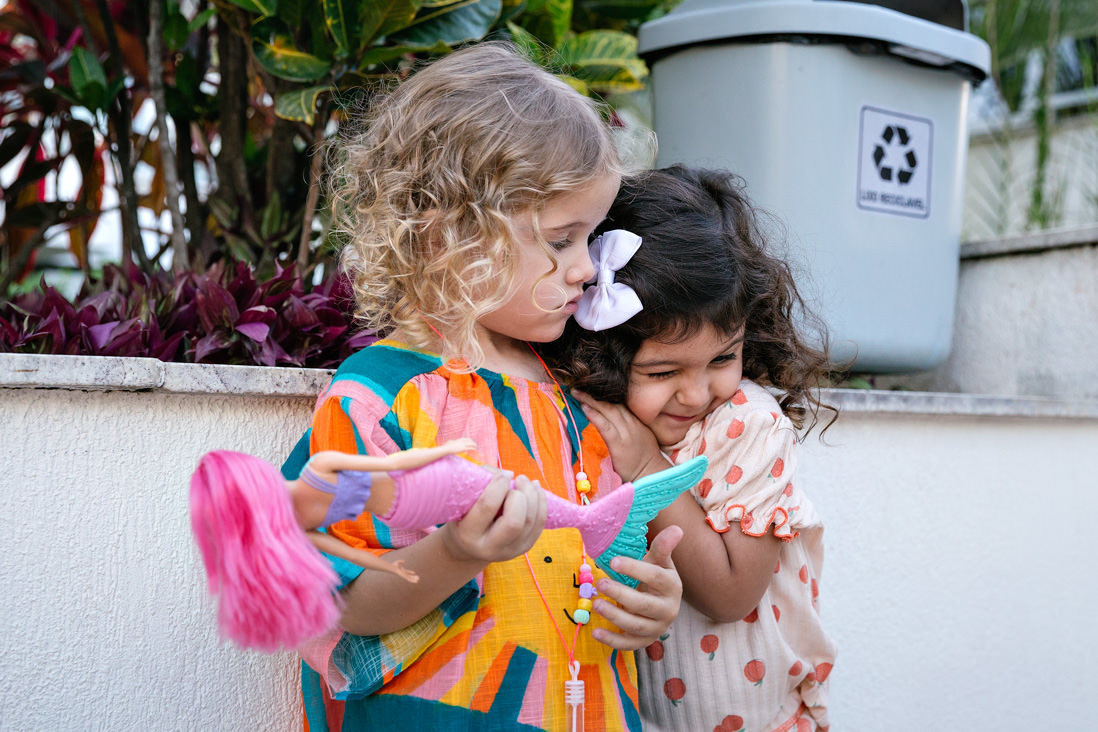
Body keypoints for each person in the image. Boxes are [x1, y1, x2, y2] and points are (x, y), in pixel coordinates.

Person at [278, 42, 686, 730]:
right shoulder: (381, 398)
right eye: (562, 239)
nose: (587, 269)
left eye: (592, 237)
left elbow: (604, 556)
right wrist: (456, 551)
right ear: (448, 236)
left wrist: (652, 600)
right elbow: (341, 602)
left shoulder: (575, 394)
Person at [545, 165, 839, 731]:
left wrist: (649, 470)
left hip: (755, 717)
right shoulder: (606, 415)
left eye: (723, 358)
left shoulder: (749, 426)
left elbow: (731, 595)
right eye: (662, 371)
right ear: (605, 352)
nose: (698, 392)